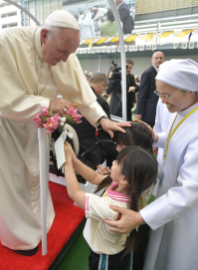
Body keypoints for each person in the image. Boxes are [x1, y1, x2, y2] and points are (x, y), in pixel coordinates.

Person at [0, 9, 130, 255]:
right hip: (5, 125)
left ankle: (37, 221)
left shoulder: (65, 50)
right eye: (61, 52)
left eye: (70, 54)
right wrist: (45, 104)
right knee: (13, 179)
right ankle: (20, 237)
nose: (65, 60)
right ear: (44, 36)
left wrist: (102, 119)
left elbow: (80, 92)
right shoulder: (6, 42)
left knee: (35, 174)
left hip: (36, 125)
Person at [103, 59, 198, 270]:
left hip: (187, 210)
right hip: (168, 199)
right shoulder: (182, 109)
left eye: (167, 95)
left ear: (190, 90)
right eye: (159, 94)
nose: (162, 101)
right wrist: (157, 137)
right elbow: (179, 138)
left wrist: (140, 217)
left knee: (177, 256)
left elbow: (189, 190)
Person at [64, 142, 158, 270]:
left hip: (106, 257)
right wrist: (73, 160)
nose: (113, 161)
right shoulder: (125, 188)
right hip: (115, 249)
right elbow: (95, 177)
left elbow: (74, 193)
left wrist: (67, 163)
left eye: (117, 161)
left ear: (124, 179)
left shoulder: (112, 208)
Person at [70, 73, 111, 170]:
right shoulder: (100, 102)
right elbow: (107, 129)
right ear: (101, 85)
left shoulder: (74, 96)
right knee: (114, 150)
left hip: (71, 143)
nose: (103, 91)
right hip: (87, 148)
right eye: (104, 89)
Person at [135, 51, 165, 127]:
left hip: (159, 110)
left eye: (161, 58)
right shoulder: (148, 73)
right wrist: (139, 111)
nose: (159, 60)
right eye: (156, 58)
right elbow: (142, 93)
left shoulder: (163, 72)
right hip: (149, 112)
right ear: (152, 60)